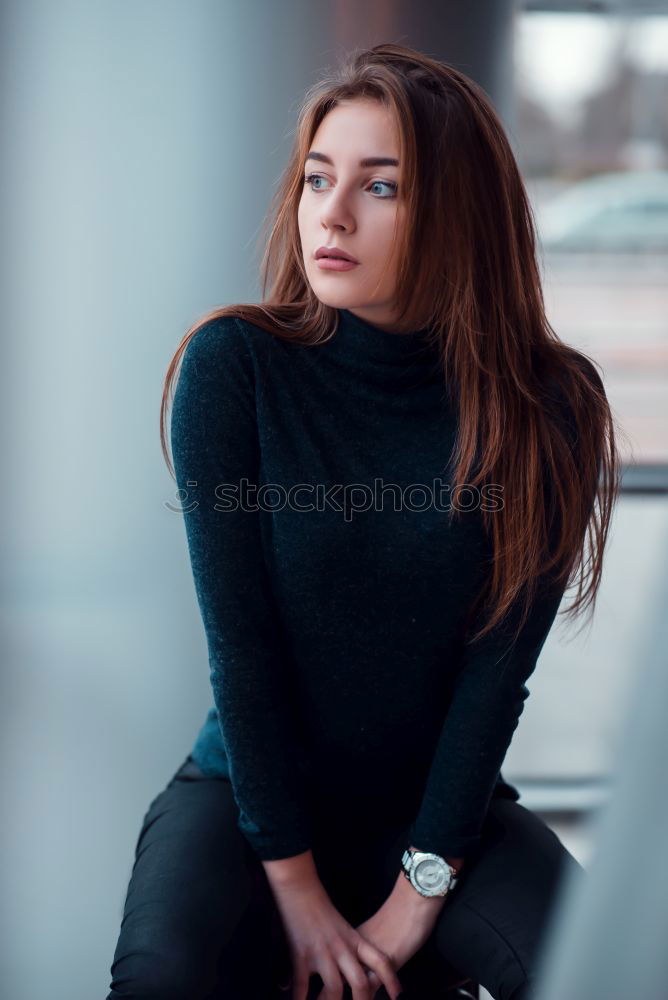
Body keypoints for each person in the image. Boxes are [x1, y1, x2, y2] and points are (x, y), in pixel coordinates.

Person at [106, 42, 620, 1000]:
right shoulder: (235, 369)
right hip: (244, 795)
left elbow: (496, 679)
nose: (330, 215)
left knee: (604, 975)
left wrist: (419, 889)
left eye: (380, 187)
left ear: (459, 216)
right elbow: (242, 657)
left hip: (437, 808)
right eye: (316, 178)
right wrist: (295, 888)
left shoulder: (550, 406)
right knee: (159, 982)